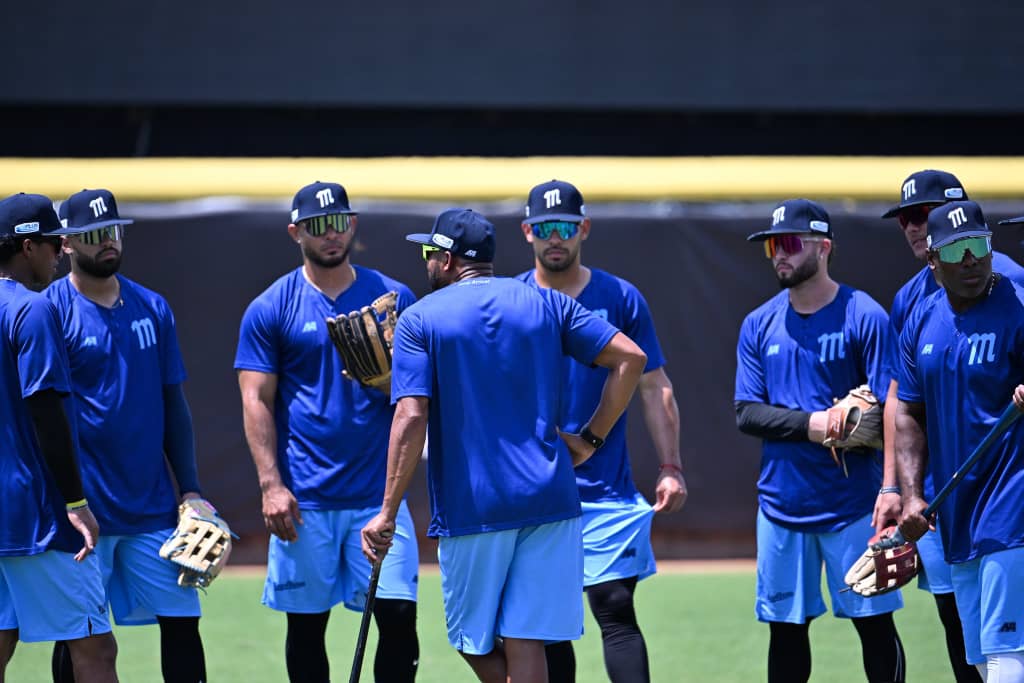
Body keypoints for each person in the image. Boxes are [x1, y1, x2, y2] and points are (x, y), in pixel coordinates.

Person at [360, 208, 648, 683]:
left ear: (450, 260)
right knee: (526, 638)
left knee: (469, 641)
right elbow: (630, 358)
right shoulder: (546, 301)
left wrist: (387, 511)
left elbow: (411, 416)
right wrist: (592, 437)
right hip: (551, 499)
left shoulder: (419, 318)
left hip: (476, 506)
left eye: (431, 252)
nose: (426, 261)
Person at [236, 181, 420, 683]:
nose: (330, 233)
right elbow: (255, 399)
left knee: (400, 618)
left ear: (353, 224)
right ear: (296, 232)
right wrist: (271, 485)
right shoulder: (271, 306)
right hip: (306, 498)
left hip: (378, 498)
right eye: (317, 225)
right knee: (307, 626)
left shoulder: (394, 297)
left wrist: (391, 383)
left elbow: (420, 396)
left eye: (339, 221)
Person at [514, 179, 687, 683]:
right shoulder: (511, 301)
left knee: (614, 607)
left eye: (565, 227)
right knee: (550, 628)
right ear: (527, 232)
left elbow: (655, 388)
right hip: (537, 492)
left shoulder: (619, 296)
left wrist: (671, 466)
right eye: (544, 228)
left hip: (607, 490)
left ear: (583, 229)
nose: (555, 238)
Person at [734, 199, 906, 683]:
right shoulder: (758, 324)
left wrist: (892, 486)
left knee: (875, 626)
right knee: (786, 634)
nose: (778, 256)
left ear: (824, 247)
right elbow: (747, 411)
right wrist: (816, 424)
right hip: (781, 504)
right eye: (772, 246)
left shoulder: (864, 315)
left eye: (789, 244)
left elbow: (892, 407)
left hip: (852, 503)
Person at [45, 189, 206, 683]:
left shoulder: (152, 307)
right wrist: (66, 500)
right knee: (79, 636)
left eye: (113, 231)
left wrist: (192, 490)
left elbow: (173, 406)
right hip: (82, 512)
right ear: (67, 244)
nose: (107, 243)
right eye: (93, 235)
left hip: (153, 508)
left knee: (183, 624)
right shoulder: (49, 310)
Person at [879, 170, 1024, 682]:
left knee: (1010, 648)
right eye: (908, 220)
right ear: (936, 257)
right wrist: (904, 490)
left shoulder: (1015, 289)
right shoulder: (917, 309)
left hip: (1011, 499)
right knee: (977, 653)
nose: (970, 259)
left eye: (977, 245)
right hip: (949, 504)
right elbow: (907, 406)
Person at [0, 193, 118, 683]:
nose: (61, 253)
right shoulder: (33, 310)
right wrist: (75, 501)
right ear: (28, 247)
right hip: (37, 513)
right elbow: (45, 411)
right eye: (54, 243)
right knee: (95, 648)